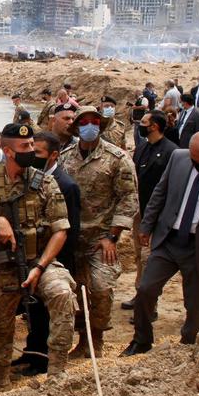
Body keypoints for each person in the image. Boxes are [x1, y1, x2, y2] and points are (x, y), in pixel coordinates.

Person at [0, 124, 77, 384]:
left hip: (39, 262)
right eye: (25, 147)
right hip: (2, 267)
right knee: (0, 323)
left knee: (63, 295)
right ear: (8, 151)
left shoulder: (45, 182)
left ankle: (57, 373)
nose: (31, 150)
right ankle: (1, 380)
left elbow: (60, 229)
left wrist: (40, 267)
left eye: (32, 145)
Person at [123, 132, 199, 355]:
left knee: (197, 305)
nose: (198, 165)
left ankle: (189, 347)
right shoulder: (179, 158)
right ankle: (141, 340)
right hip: (169, 239)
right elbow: (160, 193)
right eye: (195, 160)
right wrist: (146, 225)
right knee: (145, 289)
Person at [59, 106, 138, 357]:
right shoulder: (66, 156)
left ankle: (98, 338)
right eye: (84, 121)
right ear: (77, 127)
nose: (90, 125)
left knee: (101, 289)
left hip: (101, 238)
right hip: (71, 238)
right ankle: (83, 341)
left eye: (94, 121)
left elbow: (129, 198)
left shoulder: (118, 158)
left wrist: (112, 236)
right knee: (76, 292)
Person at [14, 131, 81, 376]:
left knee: (46, 313)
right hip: (33, 259)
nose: (32, 156)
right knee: (34, 314)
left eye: (38, 153)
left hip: (53, 260)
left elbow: (69, 231)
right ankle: (32, 353)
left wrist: (51, 264)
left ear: (53, 156)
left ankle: (42, 363)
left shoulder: (66, 184)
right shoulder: (32, 179)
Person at [122, 109, 179, 310]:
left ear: (154, 126)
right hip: (140, 211)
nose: (141, 125)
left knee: (150, 259)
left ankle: (149, 305)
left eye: (144, 122)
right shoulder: (142, 147)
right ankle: (140, 295)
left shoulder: (172, 152)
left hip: (158, 216)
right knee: (139, 256)